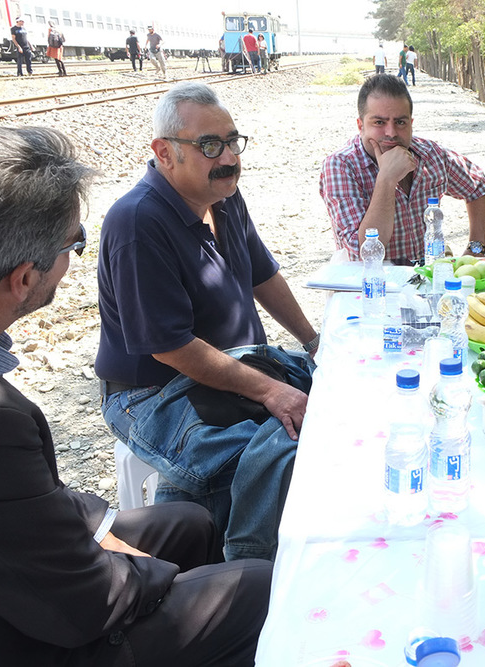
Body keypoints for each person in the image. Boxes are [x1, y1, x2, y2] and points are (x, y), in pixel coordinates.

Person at [0, 123, 272, 665]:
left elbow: (11, 502)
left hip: (3, 571)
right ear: (23, 278)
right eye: (74, 242)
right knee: (257, 588)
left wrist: (101, 536)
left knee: (190, 523)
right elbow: (83, 604)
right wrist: (156, 577)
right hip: (7, 636)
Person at [96, 82, 319, 562]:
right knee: (269, 453)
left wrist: (313, 340)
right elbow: (171, 347)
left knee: (334, 405)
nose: (230, 158)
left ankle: (216, 556)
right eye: (210, 145)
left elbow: (263, 275)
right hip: (152, 392)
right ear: (164, 152)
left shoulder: (224, 197)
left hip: (238, 370)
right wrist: (270, 390)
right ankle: (236, 569)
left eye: (233, 141)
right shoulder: (137, 222)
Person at [320, 74, 485, 264]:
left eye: (400, 122)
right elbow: (360, 253)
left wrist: (476, 248)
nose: (391, 133)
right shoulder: (341, 166)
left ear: (411, 123)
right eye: (379, 122)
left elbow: (478, 185)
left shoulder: (429, 154)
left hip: (427, 274)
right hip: (372, 279)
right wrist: (386, 179)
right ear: (361, 125)